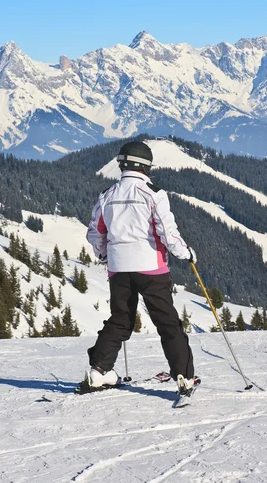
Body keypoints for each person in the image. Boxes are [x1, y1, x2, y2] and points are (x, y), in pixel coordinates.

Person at [85, 140, 198, 396]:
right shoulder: (153, 193)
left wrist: (104, 255)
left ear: (122, 164)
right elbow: (167, 233)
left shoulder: (107, 195)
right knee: (167, 322)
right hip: (150, 266)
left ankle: (99, 371)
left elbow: (95, 232)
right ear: (146, 167)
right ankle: (183, 375)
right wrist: (187, 253)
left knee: (120, 320)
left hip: (118, 268)